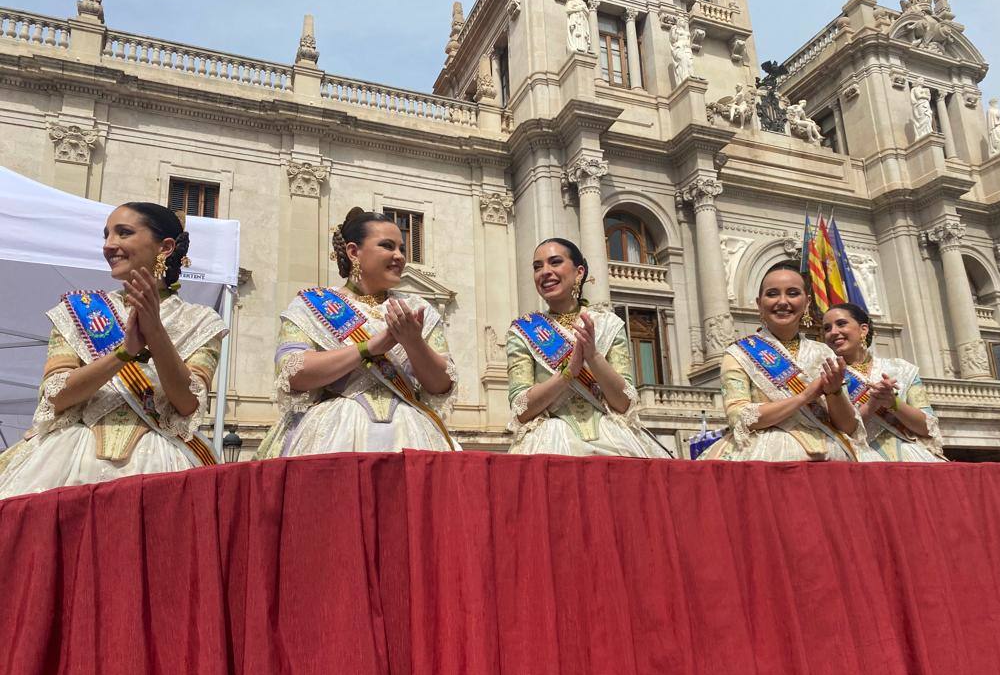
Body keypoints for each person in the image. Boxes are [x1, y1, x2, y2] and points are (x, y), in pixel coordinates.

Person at [0, 203, 226, 498]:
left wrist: (156, 334)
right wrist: (123, 352)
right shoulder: (79, 310)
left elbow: (187, 404)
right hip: (70, 459)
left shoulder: (201, 321)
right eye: (106, 235)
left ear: (166, 247)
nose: (109, 245)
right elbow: (55, 396)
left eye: (124, 233)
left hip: (160, 460)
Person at [255, 208, 457, 457]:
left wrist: (414, 343)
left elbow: (441, 385)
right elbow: (292, 372)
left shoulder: (418, 309)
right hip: (334, 432)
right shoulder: (311, 304)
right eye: (387, 246)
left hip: (412, 434)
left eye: (402, 249)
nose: (400, 256)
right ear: (353, 252)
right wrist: (368, 347)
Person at [505, 238, 669, 458]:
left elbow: (624, 403)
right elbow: (521, 408)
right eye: (537, 267)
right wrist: (567, 374)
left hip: (614, 441)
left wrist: (592, 356)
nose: (545, 272)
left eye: (555, 262)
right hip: (551, 440)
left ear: (579, 272)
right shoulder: (524, 330)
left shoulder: (607, 325)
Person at [700, 261, 861, 461]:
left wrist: (834, 392)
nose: (783, 301)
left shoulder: (824, 353)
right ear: (759, 303)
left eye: (793, 293)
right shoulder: (738, 353)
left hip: (830, 454)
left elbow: (848, 427)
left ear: (807, 302)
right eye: (772, 294)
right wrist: (804, 396)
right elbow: (739, 417)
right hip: (764, 454)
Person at [822, 302, 944, 461]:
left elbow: (928, 428)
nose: (833, 332)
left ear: (863, 329)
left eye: (841, 324)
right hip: (859, 459)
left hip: (911, 457)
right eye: (827, 328)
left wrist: (893, 403)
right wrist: (872, 405)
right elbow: (838, 431)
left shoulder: (901, 369)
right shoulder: (826, 374)